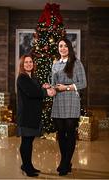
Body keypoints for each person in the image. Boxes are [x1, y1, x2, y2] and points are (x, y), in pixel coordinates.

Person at [51, 37, 87, 176]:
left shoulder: (76, 63)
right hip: (58, 101)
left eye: (65, 46)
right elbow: (53, 83)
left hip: (71, 100)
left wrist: (66, 88)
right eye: (60, 46)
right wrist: (50, 87)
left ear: (69, 48)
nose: (63, 48)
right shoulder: (55, 64)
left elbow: (83, 83)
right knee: (61, 133)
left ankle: (65, 163)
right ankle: (65, 161)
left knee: (70, 132)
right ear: (58, 48)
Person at [16, 53, 55, 177]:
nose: (29, 64)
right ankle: (27, 167)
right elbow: (32, 92)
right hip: (26, 116)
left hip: (34, 115)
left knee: (29, 141)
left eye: (31, 62)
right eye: (26, 62)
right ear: (22, 64)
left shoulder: (33, 77)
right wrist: (46, 92)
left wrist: (43, 86)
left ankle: (28, 164)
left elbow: (36, 89)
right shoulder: (22, 78)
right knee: (26, 142)